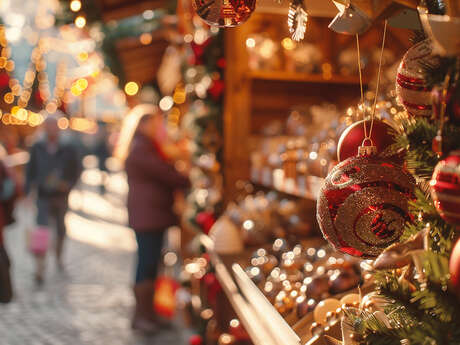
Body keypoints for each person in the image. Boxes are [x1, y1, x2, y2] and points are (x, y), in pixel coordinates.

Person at [124, 110, 189, 333]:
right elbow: (165, 173)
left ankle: (149, 313)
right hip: (147, 216)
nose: (158, 128)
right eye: (154, 124)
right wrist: (184, 177)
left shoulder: (145, 146)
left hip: (151, 215)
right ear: (142, 125)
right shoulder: (142, 148)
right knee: (147, 263)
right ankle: (142, 316)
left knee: (151, 264)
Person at [25, 116, 82, 284]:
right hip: (43, 195)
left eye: (53, 126)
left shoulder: (68, 147)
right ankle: (40, 267)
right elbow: (30, 170)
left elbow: (77, 169)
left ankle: (58, 256)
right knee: (41, 229)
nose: (51, 129)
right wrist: (29, 191)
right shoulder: (37, 146)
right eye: (48, 126)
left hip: (61, 195)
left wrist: (69, 185)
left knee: (60, 228)